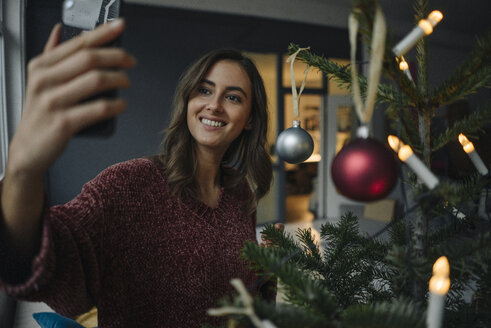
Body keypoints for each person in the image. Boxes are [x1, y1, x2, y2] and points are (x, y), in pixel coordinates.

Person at [0, 19, 280, 327]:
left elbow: (241, 297)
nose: (214, 105)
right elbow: (47, 262)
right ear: (188, 100)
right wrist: (22, 173)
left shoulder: (240, 194)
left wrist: (265, 268)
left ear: (250, 119)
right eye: (204, 90)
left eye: (233, 97)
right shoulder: (128, 186)